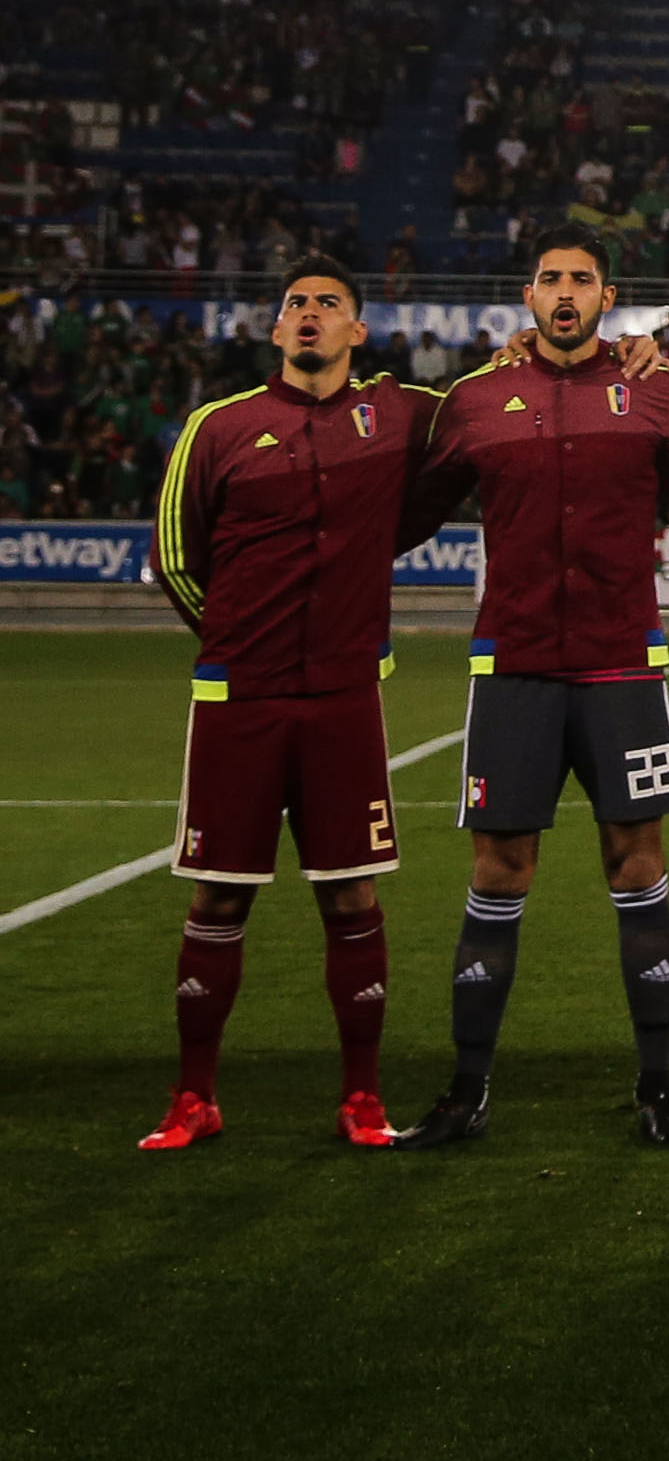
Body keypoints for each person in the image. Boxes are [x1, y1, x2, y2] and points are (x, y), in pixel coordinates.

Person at [396, 236, 669, 1147]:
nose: (565, 293)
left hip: (621, 666)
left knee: (637, 864)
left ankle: (658, 1087)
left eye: (580, 280)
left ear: (608, 295)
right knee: (497, 870)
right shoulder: (475, 399)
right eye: (551, 279)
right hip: (511, 665)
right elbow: (402, 514)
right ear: (529, 295)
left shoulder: (656, 391)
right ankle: (467, 1089)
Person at [142, 260, 444, 1151]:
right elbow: (176, 555)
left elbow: (484, 409)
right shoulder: (221, 426)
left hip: (345, 698)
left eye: (329, 305)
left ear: (359, 331)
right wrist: (234, 641)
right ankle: (193, 1097)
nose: (309, 314)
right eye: (295, 305)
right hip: (239, 697)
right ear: (275, 331)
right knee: (219, 900)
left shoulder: (396, 415)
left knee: (351, 898)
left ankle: (363, 1098)